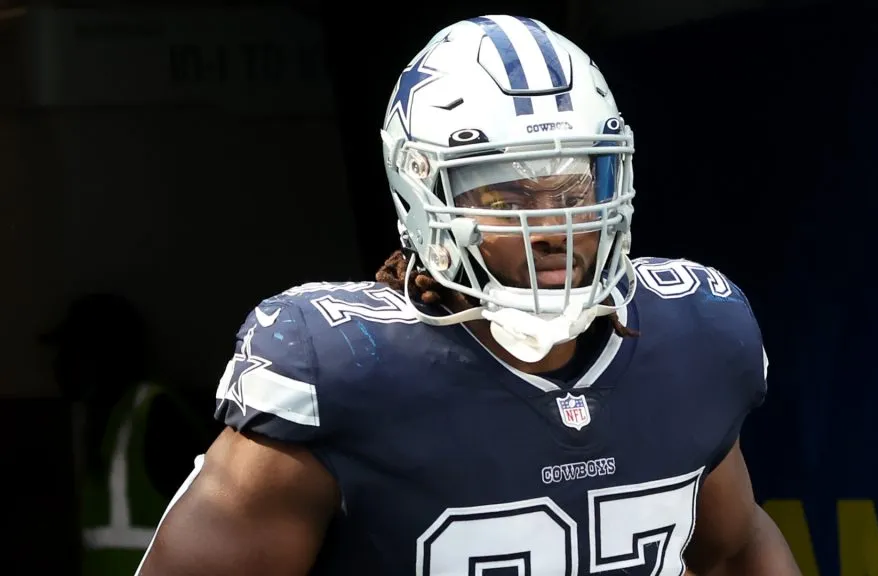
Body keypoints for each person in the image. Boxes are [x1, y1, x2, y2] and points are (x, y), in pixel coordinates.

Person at [136, 14, 800, 575]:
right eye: (505, 196)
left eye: (573, 192)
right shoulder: (345, 366)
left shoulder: (693, 339)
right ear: (424, 195)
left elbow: (736, 544)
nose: (550, 227)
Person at [45, 293, 208, 575]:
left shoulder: (155, 414)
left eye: (72, 352)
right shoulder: (102, 421)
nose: (59, 365)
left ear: (103, 355)